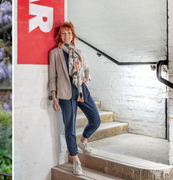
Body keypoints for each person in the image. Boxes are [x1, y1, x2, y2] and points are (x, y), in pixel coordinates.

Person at [49, 22, 101, 175]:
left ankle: (83, 141)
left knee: (96, 120)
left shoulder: (78, 52)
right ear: (60, 36)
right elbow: (53, 76)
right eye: (64, 33)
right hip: (65, 94)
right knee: (69, 128)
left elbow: (86, 68)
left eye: (69, 33)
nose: (66, 36)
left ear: (73, 36)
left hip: (81, 90)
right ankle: (76, 160)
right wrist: (54, 96)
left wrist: (87, 77)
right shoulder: (55, 53)